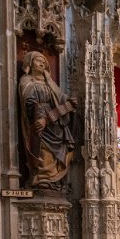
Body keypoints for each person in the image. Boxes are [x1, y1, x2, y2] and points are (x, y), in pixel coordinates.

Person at [19, 51, 77, 189]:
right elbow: (27, 101)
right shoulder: (26, 81)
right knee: (43, 149)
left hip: (54, 123)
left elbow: (60, 97)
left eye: (44, 62)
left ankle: (54, 181)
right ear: (30, 63)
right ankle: (42, 177)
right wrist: (41, 117)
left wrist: (70, 101)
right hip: (39, 120)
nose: (42, 64)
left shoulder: (49, 83)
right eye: (38, 61)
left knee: (61, 150)